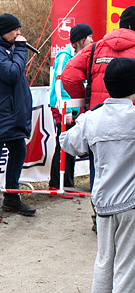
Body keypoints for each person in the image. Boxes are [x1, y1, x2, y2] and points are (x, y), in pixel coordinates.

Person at [60, 57, 135, 293]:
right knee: (127, 268)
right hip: (131, 204)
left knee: (105, 261)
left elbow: (69, 143)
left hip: (102, 203)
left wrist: (74, 123)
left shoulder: (93, 118)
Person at [62, 6, 135, 232]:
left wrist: (82, 104)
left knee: (99, 167)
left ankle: (100, 216)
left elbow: (69, 75)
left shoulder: (96, 47)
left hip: (98, 117)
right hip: (130, 118)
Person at [0, 13, 36, 222]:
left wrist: (16, 48)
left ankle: (11, 197)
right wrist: (20, 49)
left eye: (19, 29)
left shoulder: (6, 48)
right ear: (4, 31)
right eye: (15, 30)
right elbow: (12, 73)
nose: (19, 34)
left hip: (11, 113)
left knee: (19, 150)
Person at [48, 23, 93, 191]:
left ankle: (68, 183)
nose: (92, 40)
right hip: (63, 107)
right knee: (63, 143)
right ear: (81, 40)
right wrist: (64, 110)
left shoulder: (81, 56)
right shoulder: (63, 56)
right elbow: (59, 83)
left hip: (74, 107)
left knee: (72, 143)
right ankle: (56, 184)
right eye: (89, 37)